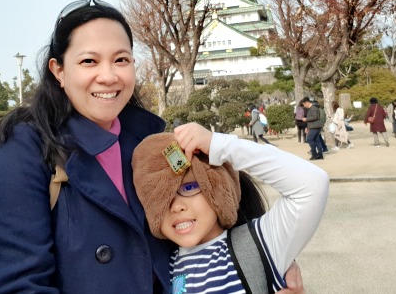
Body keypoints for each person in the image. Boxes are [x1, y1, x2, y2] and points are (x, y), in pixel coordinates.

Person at [0, 0, 307, 293]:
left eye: (121, 60)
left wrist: (264, 262)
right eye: (89, 61)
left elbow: (207, 214)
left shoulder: (150, 142)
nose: (108, 76)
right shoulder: (23, 145)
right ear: (58, 70)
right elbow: (18, 283)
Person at [132, 122, 329, 293]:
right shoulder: (164, 266)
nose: (176, 207)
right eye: (160, 198)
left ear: (218, 188)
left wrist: (219, 146)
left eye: (190, 187)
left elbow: (313, 184)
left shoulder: (259, 244)